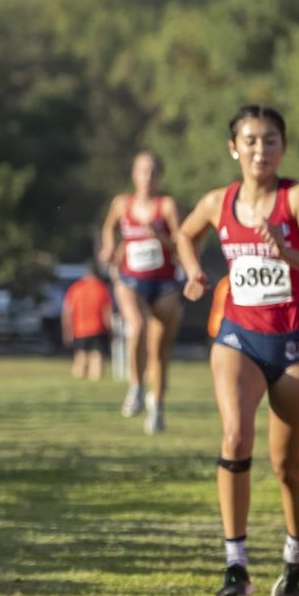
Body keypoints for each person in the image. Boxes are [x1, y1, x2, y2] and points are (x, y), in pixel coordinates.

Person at [175, 104, 299, 596]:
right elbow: (185, 233)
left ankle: (296, 554)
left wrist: (285, 253)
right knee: (233, 436)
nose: (260, 150)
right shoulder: (217, 201)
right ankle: (235, 564)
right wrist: (193, 273)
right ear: (233, 148)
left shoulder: (298, 198)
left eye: (270, 141)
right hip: (239, 338)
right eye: (250, 140)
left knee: (287, 464)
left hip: (295, 344)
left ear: (282, 148)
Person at [97, 151, 186, 435]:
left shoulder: (167, 206)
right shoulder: (122, 203)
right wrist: (109, 246)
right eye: (142, 171)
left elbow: (182, 242)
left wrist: (159, 237)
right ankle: (135, 386)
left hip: (164, 283)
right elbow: (109, 227)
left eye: (152, 172)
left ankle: (156, 405)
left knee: (159, 351)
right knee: (137, 326)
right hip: (130, 279)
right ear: (134, 174)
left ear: (160, 176)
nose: (147, 178)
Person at [62, 266, 113, 380]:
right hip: (98, 328)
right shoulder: (102, 288)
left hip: (79, 329)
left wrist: (67, 330)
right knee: (97, 356)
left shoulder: (76, 288)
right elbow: (107, 312)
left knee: (81, 356)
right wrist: (110, 329)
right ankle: (96, 380)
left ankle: (79, 379)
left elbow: (67, 311)